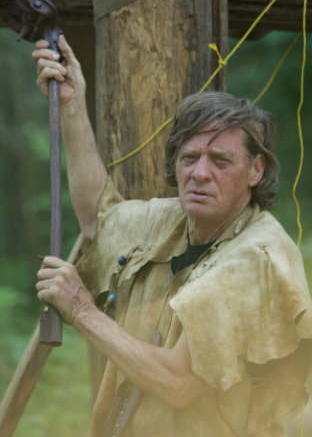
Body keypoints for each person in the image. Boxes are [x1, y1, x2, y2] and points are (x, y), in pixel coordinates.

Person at [33, 34, 312, 437]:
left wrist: (82, 311)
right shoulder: (170, 220)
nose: (200, 173)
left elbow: (178, 383)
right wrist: (71, 105)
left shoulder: (257, 257)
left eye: (220, 160)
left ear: (255, 170)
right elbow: (100, 217)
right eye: (189, 158)